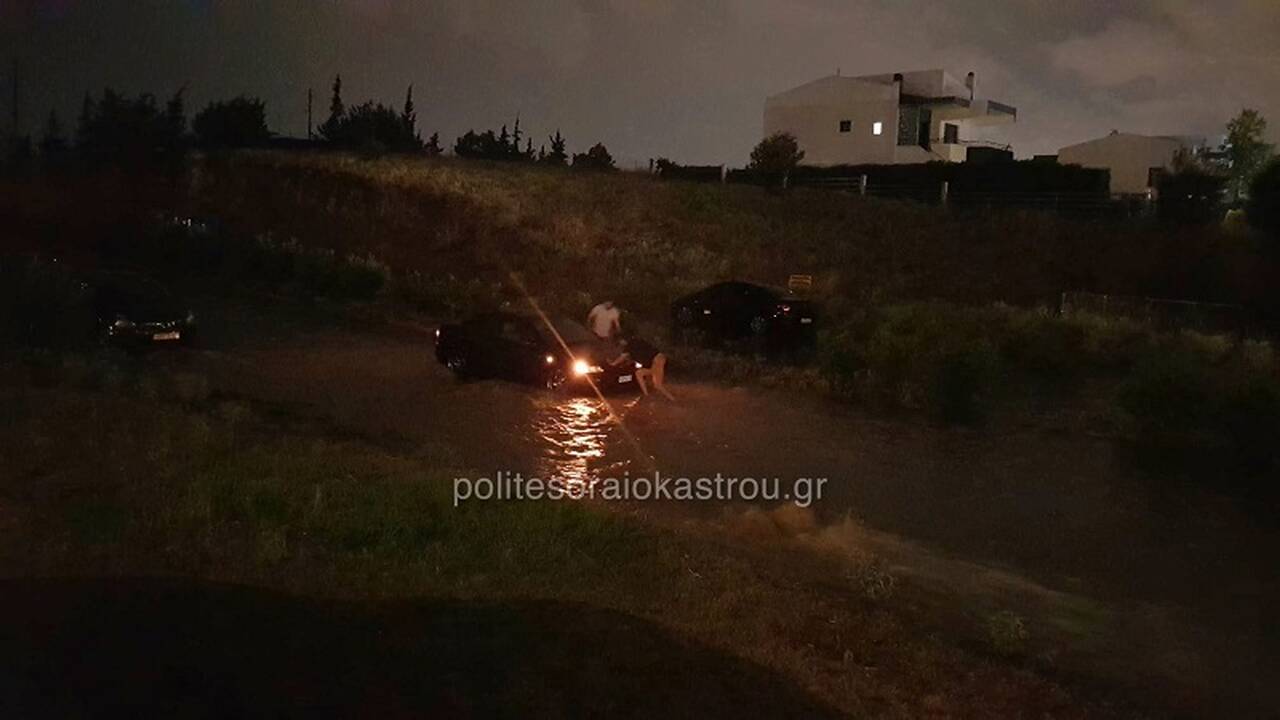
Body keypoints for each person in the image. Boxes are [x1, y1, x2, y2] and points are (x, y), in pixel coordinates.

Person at [611, 335, 674, 400]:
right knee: (644, 376)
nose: (621, 345)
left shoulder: (630, 345)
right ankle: (671, 398)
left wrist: (613, 364)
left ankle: (648, 396)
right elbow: (641, 354)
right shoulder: (636, 342)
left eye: (620, 343)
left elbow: (622, 357)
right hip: (658, 359)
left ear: (622, 340)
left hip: (657, 360)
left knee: (655, 383)